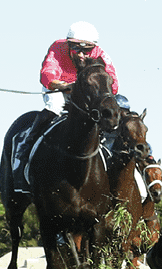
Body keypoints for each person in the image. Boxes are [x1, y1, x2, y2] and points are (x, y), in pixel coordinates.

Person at [21, 21, 120, 164]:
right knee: (55, 106)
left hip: (87, 92)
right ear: (68, 44)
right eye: (76, 48)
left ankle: (110, 150)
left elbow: (114, 83)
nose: (81, 55)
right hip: (60, 87)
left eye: (86, 51)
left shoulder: (101, 55)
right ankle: (28, 143)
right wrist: (63, 85)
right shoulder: (57, 47)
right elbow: (47, 75)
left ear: (93, 48)